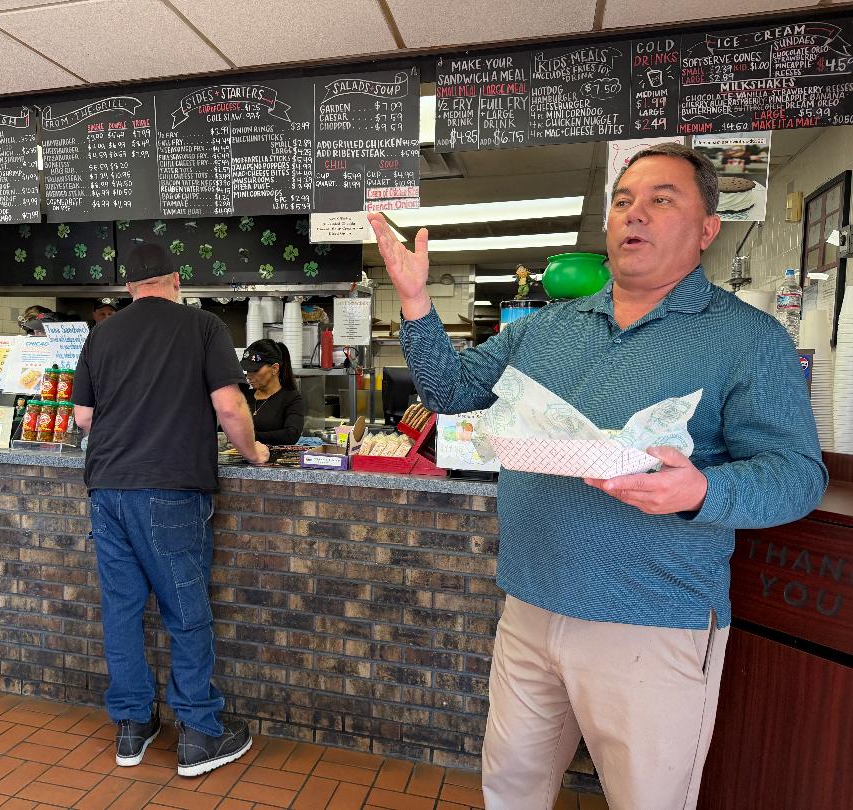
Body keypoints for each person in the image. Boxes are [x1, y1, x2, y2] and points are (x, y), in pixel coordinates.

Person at [368, 142, 826, 810]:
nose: (634, 214)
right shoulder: (549, 327)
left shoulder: (748, 338)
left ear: (706, 229)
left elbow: (797, 475)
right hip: (529, 606)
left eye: (661, 199)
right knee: (510, 791)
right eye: (623, 201)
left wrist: (703, 489)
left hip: (653, 621)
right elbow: (450, 389)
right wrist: (414, 302)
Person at [72, 241, 269, 777]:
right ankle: (201, 734)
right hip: (171, 490)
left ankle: (134, 726)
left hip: (107, 489)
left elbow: (84, 419)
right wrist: (256, 452)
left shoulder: (101, 334)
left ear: (129, 286)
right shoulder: (203, 327)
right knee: (185, 611)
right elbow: (229, 406)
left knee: (122, 610)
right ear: (175, 279)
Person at [240, 338, 306, 445]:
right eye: (247, 370)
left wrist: (249, 436)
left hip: (276, 460)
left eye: (255, 370)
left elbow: (291, 435)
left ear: (274, 368)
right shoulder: (244, 396)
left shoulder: (291, 398)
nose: (249, 376)